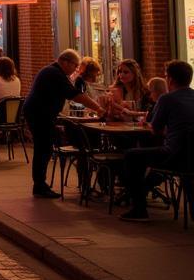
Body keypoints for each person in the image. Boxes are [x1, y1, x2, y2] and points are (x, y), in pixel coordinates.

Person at [120, 60, 194, 222]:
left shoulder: (167, 99)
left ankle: (139, 209)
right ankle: (147, 189)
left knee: (132, 156)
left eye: (166, 76)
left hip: (176, 155)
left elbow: (156, 130)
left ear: (171, 80)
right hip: (191, 156)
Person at [23, 49, 102, 198]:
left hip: (39, 113)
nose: (76, 69)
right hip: (39, 114)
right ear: (65, 61)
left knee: (44, 148)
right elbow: (75, 95)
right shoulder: (54, 73)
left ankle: (40, 185)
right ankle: (40, 185)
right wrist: (98, 108)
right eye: (75, 65)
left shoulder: (53, 72)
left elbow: (72, 94)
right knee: (43, 148)